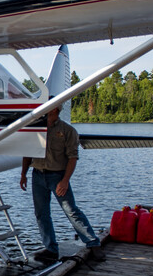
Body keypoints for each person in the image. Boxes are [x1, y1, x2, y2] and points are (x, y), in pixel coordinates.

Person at [20, 106, 106, 263]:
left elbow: (73, 158)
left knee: (71, 211)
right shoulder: (35, 128)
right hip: (37, 175)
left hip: (57, 175)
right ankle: (51, 249)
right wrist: (23, 174)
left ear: (55, 110)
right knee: (41, 213)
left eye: (47, 108)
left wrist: (65, 180)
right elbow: (27, 152)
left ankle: (93, 244)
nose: (43, 111)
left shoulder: (68, 131)